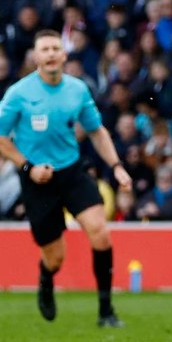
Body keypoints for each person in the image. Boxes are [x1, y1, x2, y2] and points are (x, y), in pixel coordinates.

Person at [0, 30, 132, 327]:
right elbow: (0, 137)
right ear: (35, 57)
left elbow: (97, 131)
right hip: (36, 180)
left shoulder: (77, 89)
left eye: (54, 49)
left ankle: (106, 311)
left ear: (63, 55)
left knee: (100, 232)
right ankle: (46, 278)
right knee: (55, 257)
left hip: (72, 171)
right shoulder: (19, 93)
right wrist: (27, 166)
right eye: (43, 49)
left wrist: (117, 165)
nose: (49, 54)